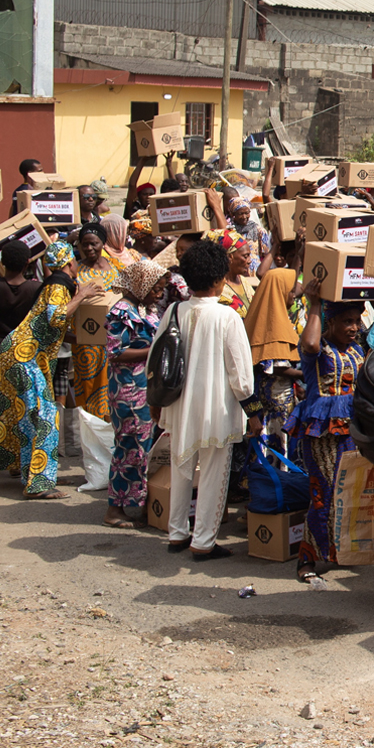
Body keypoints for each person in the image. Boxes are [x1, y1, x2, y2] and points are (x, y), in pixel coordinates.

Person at [0, 242, 101, 497]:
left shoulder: (54, 285)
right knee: (45, 417)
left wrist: (91, 338)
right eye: (74, 261)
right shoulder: (58, 286)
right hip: (24, 357)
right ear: (69, 264)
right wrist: (82, 295)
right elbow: (56, 318)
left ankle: (35, 473)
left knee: (27, 417)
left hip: (16, 354)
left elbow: (53, 329)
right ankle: (39, 484)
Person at [158, 239, 255, 559]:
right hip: (216, 408)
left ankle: (177, 532)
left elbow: (156, 361)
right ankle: (203, 540)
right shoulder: (228, 317)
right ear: (219, 278)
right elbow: (241, 378)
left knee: (180, 465)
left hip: (179, 405)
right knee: (214, 473)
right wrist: (254, 412)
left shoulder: (173, 310)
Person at [285, 281, 366, 579]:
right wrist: (315, 303)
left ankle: (338, 550)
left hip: (353, 430)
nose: (354, 327)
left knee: (348, 494)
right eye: (347, 321)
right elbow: (309, 344)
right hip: (321, 433)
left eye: (356, 321)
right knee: (324, 493)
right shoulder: (317, 351)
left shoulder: (356, 350)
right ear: (329, 323)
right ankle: (306, 559)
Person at [102, 258, 167, 528]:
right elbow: (116, 352)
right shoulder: (121, 311)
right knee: (129, 447)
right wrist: (153, 350)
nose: (159, 293)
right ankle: (114, 509)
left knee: (145, 448)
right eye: (156, 288)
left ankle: (139, 502)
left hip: (145, 387)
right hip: (129, 389)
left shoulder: (142, 307)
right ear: (142, 283)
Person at [0, 241, 40, 467]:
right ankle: (16, 462)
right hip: (22, 354)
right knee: (19, 406)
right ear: (27, 263)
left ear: (1, 262)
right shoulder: (34, 289)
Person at [242, 267, 303, 447]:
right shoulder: (270, 323)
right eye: (290, 291)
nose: (293, 296)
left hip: (281, 395)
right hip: (274, 400)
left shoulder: (281, 316)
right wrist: (301, 375)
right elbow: (272, 364)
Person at [70, 222, 123, 418]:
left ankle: (110, 431)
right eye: (85, 244)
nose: (89, 248)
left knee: (112, 385)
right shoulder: (77, 270)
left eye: (94, 243)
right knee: (89, 386)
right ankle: (91, 433)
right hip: (87, 339)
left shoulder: (116, 267)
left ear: (103, 243)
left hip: (111, 338)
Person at [225, 196, 271, 275]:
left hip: (256, 272)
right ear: (233, 214)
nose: (244, 217)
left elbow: (266, 255)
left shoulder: (259, 231)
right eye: (240, 214)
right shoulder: (230, 232)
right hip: (237, 272)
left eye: (247, 213)